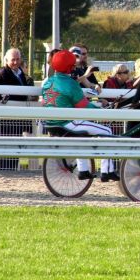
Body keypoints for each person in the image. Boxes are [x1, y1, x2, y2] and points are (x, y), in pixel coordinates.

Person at [41, 50, 119, 182]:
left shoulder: (48, 82)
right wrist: (103, 109)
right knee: (108, 131)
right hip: (67, 123)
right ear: (70, 67)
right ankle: (107, 171)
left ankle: (83, 170)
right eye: (73, 64)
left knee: (81, 136)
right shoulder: (71, 83)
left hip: (50, 124)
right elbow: (85, 107)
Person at [0, 48, 34, 170]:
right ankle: (4, 170)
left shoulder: (20, 72)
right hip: (6, 117)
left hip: (18, 116)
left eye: (18, 59)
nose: (15, 62)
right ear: (7, 60)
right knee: (6, 146)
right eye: (13, 60)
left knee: (15, 146)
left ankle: (12, 169)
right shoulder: (2, 73)